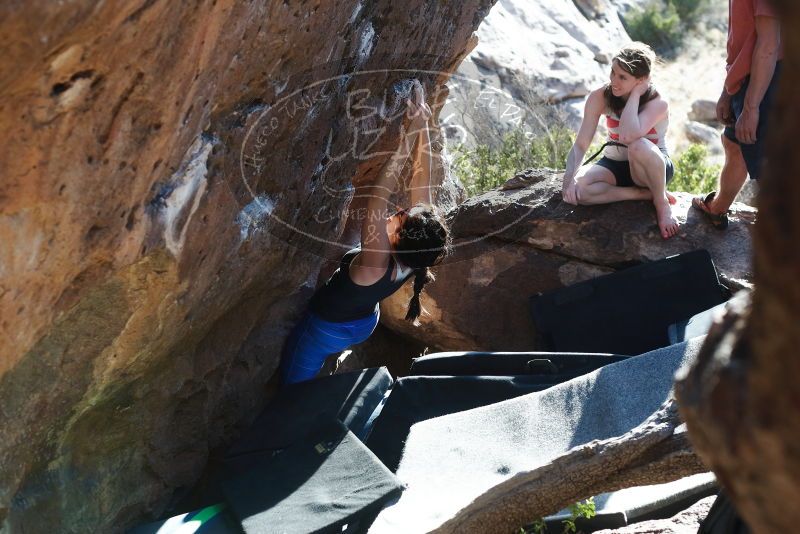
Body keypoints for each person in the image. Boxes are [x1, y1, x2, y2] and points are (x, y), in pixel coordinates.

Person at [280, 86, 451, 385]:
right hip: (361, 323)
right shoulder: (416, 254)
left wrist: (407, 138)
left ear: (397, 237)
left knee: (293, 389)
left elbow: (378, 195)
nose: (398, 211)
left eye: (400, 217)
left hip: (325, 328)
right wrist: (422, 123)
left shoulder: (376, 262)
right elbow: (420, 181)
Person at [561, 42, 679, 239]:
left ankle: (661, 202)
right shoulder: (600, 96)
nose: (614, 81)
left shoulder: (657, 102)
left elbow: (627, 135)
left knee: (637, 145)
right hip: (614, 165)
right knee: (579, 190)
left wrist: (635, 96)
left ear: (641, 80)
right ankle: (640, 194)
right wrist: (568, 180)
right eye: (613, 72)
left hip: (650, 168)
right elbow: (581, 143)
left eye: (623, 77)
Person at [692, 0, 781, 229]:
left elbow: (769, 45)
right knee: (734, 144)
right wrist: (729, 90)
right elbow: (742, 38)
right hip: (750, 77)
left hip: (771, 77)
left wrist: (752, 108)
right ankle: (718, 208)